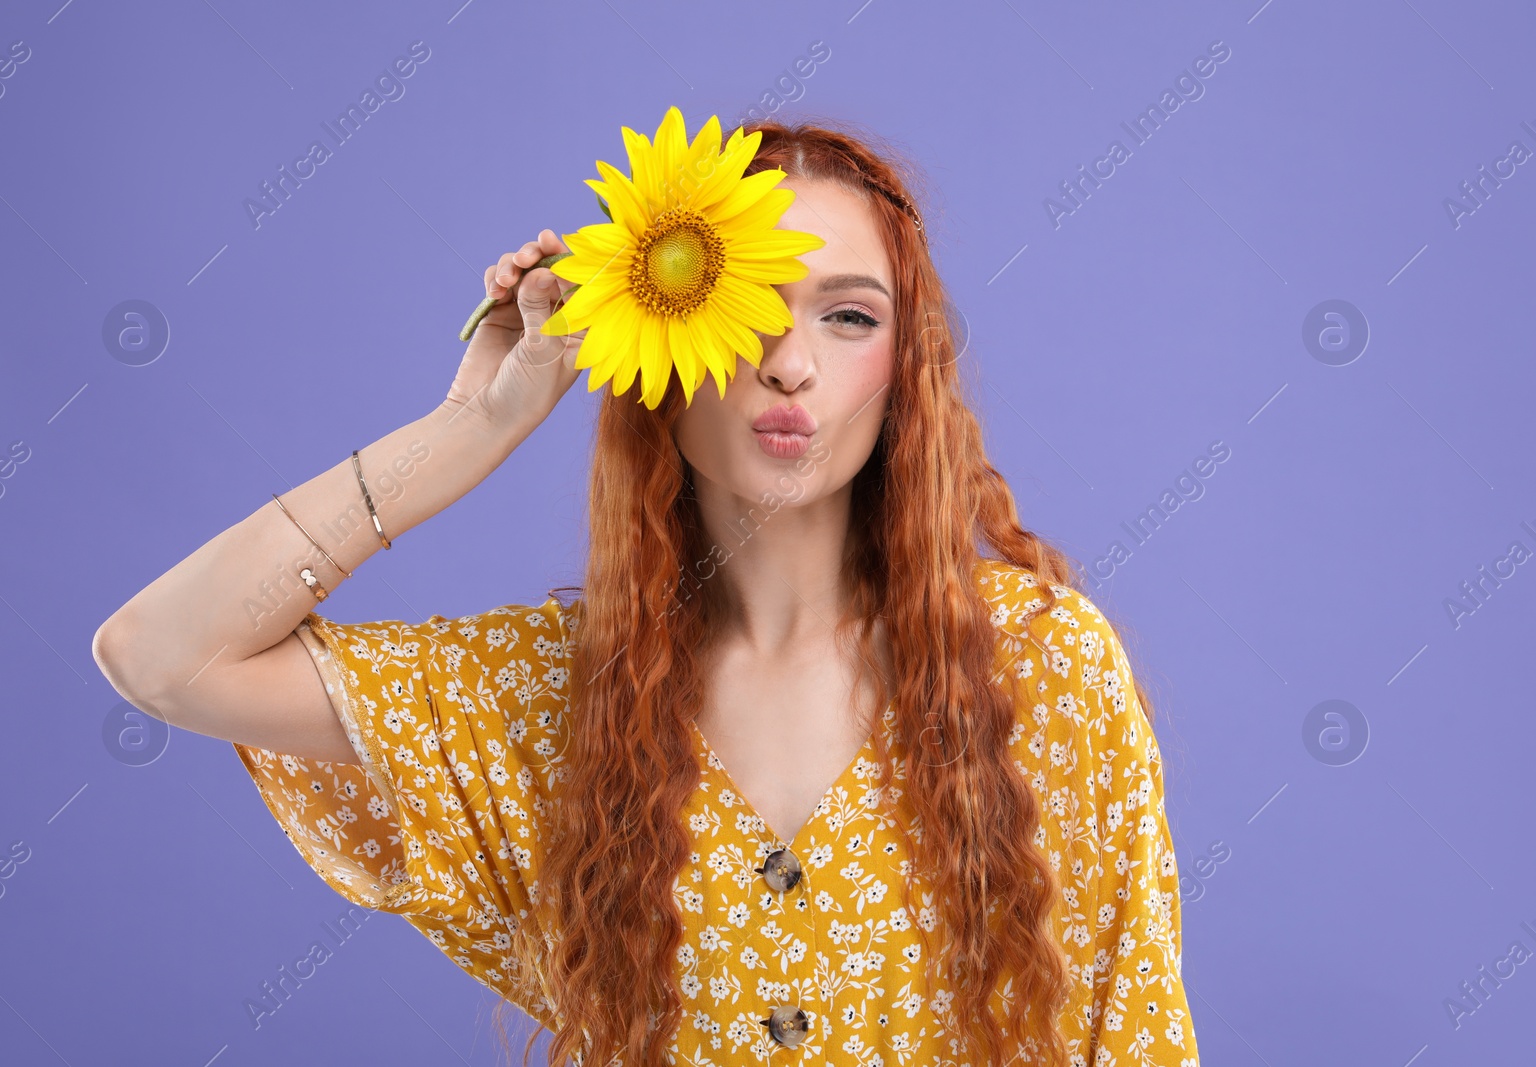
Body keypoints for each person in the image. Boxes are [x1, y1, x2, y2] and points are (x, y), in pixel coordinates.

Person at [92, 115, 1200, 1066]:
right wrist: (471, 431)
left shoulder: (1041, 665)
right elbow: (158, 655)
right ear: (656, 338)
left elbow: (1137, 1031)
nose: (790, 362)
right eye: (747, 299)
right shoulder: (544, 691)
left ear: (903, 368)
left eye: (848, 315)